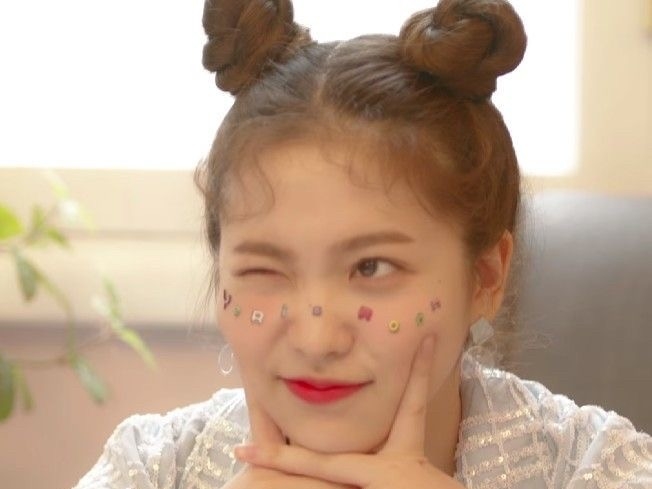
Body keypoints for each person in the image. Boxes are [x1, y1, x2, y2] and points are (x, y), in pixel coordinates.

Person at [74, 0, 652, 488]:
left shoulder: (597, 466)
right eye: (264, 270)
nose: (317, 339)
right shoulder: (149, 467)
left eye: (372, 267)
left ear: (485, 278)